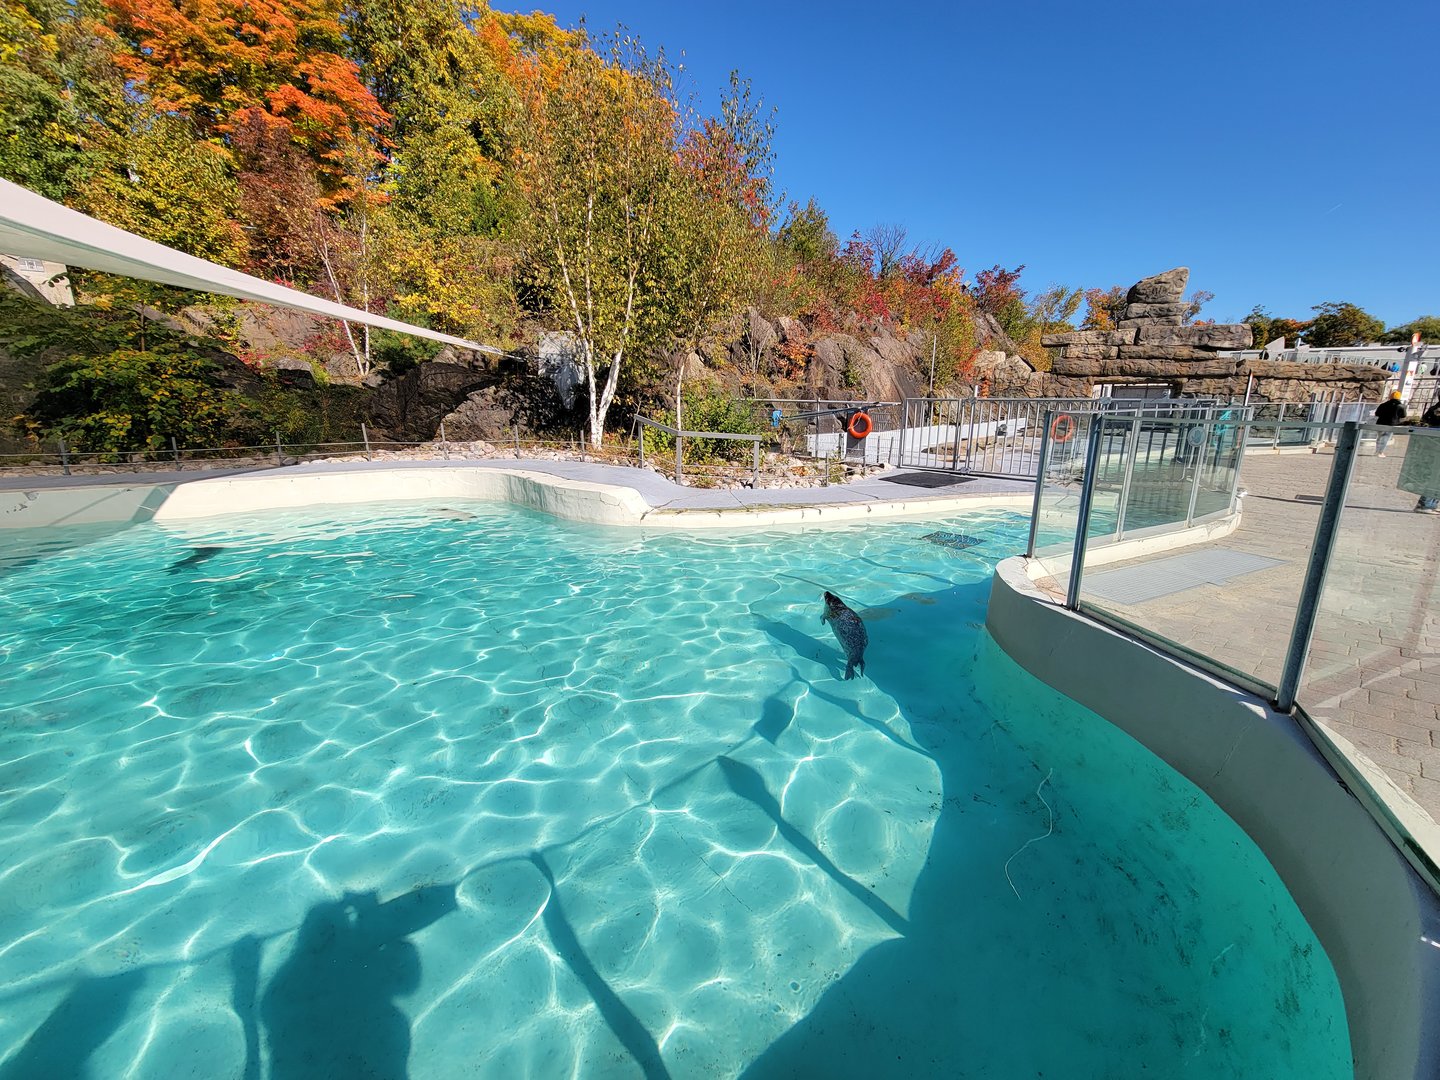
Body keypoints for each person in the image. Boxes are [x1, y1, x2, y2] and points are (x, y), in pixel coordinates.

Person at [1408, 401, 1440, 513]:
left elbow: (1425, 420)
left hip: (1431, 442)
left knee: (1435, 475)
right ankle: (1426, 504)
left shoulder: (1434, 408)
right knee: (1436, 476)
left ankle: (1429, 503)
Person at [1374, 391, 1406, 456]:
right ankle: (1380, 452)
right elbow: (1403, 415)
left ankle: (1377, 450)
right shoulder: (1401, 406)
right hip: (1391, 424)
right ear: (1399, 398)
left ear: (1390, 397)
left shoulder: (1383, 404)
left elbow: (1377, 413)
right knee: (1385, 438)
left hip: (1380, 422)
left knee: (1380, 437)